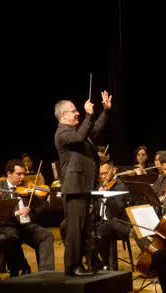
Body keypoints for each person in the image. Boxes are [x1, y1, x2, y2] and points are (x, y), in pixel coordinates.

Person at [54, 90, 112, 276]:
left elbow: (93, 130)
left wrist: (105, 111)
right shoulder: (63, 133)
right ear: (63, 115)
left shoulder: (77, 131)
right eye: (73, 111)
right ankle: (72, 267)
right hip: (75, 188)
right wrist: (88, 115)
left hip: (84, 187)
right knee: (75, 231)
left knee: (83, 229)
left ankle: (80, 263)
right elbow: (79, 137)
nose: (77, 113)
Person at [0, 159, 55, 276]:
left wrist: (45, 201)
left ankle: (46, 273)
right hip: (7, 226)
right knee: (11, 236)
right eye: (18, 174)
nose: (22, 177)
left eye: (23, 174)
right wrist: (16, 213)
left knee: (46, 235)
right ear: (9, 173)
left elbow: (38, 212)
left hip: (25, 225)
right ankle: (19, 267)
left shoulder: (26, 189)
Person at [94, 160, 131, 270]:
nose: (103, 176)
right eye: (101, 174)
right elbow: (96, 209)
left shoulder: (120, 187)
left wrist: (106, 196)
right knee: (84, 230)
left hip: (119, 224)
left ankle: (110, 265)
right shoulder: (100, 186)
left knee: (103, 228)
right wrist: (97, 197)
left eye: (105, 173)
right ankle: (99, 263)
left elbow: (117, 210)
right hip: (104, 223)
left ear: (113, 171)